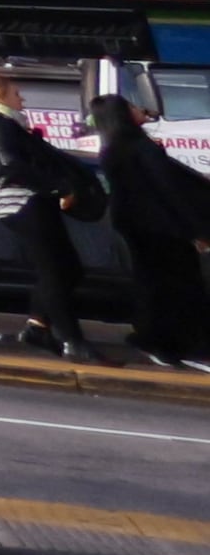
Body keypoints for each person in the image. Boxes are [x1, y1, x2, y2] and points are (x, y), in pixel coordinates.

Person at [0, 72, 102, 362]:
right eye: (16, 93)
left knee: (66, 269)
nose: (22, 99)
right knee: (56, 270)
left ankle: (38, 327)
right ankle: (72, 341)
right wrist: (57, 187)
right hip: (23, 203)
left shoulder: (2, 123)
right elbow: (12, 166)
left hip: (27, 201)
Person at [88, 94, 207, 370]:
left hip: (138, 224)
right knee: (178, 286)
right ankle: (174, 343)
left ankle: (156, 338)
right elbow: (169, 189)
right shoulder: (139, 147)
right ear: (122, 114)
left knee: (153, 283)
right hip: (161, 227)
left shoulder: (114, 147)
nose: (138, 108)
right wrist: (196, 228)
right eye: (130, 106)